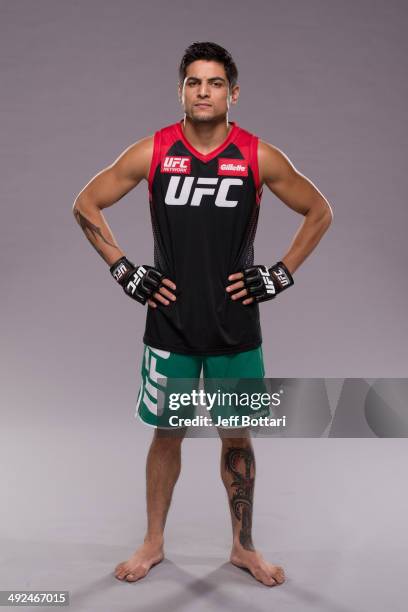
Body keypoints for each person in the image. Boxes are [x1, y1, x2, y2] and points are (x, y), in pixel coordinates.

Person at [73, 41, 333, 587]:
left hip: (235, 324)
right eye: (194, 82)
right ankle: (153, 542)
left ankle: (244, 548)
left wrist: (281, 272)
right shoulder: (154, 151)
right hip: (169, 324)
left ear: (233, 93)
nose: (204, 91)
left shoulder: (257, 156)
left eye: (215, 83)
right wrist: (123, 268)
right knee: (167, 434)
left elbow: (318, 210)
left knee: (236, 438)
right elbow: (86, 203)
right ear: (181, 90)